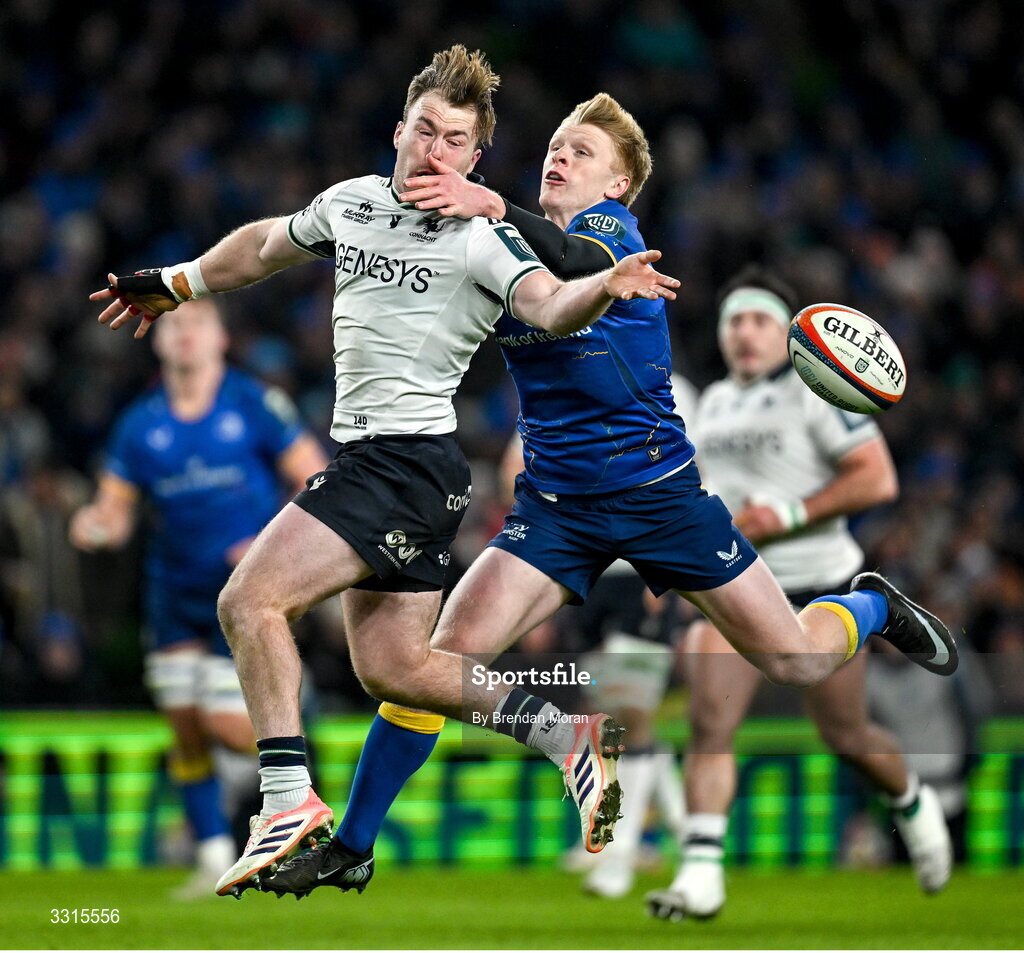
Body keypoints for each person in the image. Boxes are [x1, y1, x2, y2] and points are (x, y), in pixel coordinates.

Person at [261, 93, 958, 900]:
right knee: (434, 664)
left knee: (794, 657)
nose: (560, 157)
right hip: (555, 510)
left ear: (620, 184)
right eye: (556, 145)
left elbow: (580, 266)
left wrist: (495, 203)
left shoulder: (608, 236)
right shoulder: (501, 247)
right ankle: (353, 843)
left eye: (583, 152)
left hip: (661, 497)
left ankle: (873, 606)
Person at [90, 48, 681, 898]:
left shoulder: (485, 236)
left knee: (248, 602)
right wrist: (178, 282)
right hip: (406, 471)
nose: (437, 152)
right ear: (398, 131)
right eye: (427, 131)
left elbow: (550, 303)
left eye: (458, 142)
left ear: (476, 160)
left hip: (401, 461)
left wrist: (606, 284)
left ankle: (286, 801)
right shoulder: (352, 204)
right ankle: (567, 733)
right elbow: (261, 247)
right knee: (397, 672)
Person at [642, 266, 954, 921]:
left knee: (845, 734)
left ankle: (912, 800)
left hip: (822, 583)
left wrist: (783, 515)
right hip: (734, 580)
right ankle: (701, 871)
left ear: (786, 332)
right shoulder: (714, 402)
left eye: (757, 320)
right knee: (710, 722)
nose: (744, 333)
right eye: (733, 321)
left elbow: (876, 479)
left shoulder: (820, 389)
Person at [69, 297, 328, 898]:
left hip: (243, 594)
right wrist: (98, 523)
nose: (184, 335)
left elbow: (315, 478)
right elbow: (117, 507)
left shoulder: (253, 403)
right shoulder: (139, 423)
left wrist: (272, 547)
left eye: (197, 323)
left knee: (223, 724)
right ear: (156, 342)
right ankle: (213, 857)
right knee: (184, 726)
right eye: (173, 326)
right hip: (173, 592)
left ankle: (296, 710)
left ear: (220, 338)